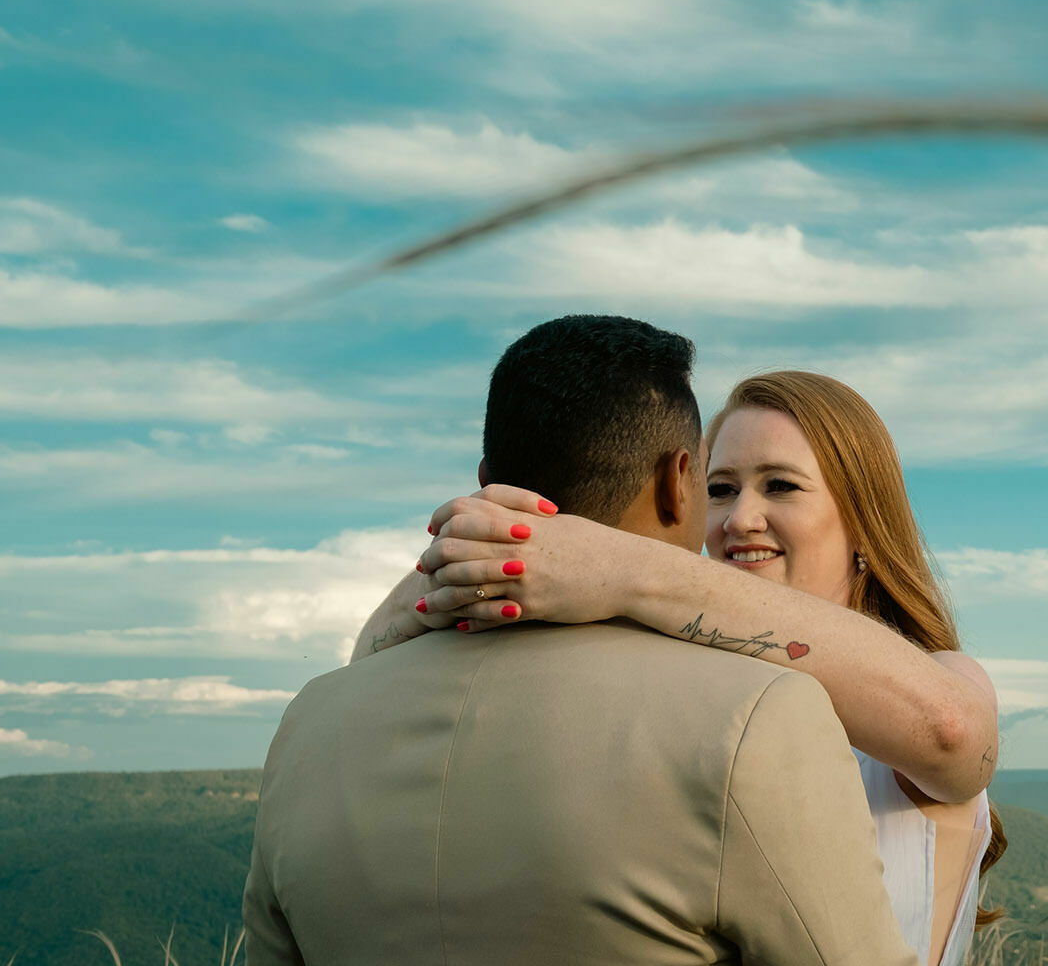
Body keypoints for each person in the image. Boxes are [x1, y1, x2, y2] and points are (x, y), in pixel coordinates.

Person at [247, 316, 920, 966]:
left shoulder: (312, 720)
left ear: (488, 483)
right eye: (716, 483)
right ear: (676, 480)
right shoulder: (754, 716)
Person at [357, 369, 1006, 966]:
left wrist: (624, 565)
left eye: (779, 485)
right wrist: (465, 555)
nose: (739, 518)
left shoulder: (941, 675)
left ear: (865, 522)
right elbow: (363, 672)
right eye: (719, 490)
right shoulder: (699, 700)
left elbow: (952, 732)